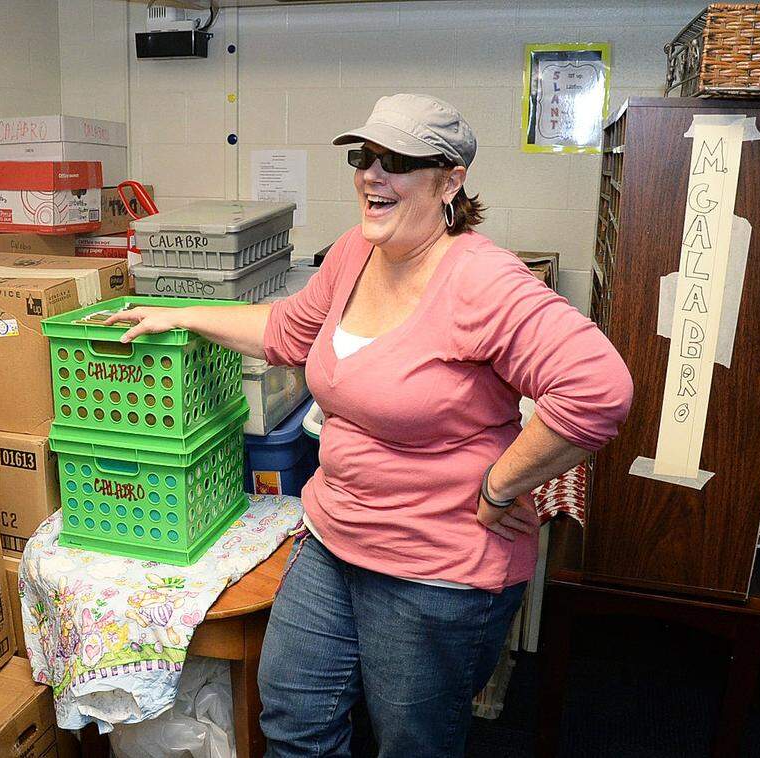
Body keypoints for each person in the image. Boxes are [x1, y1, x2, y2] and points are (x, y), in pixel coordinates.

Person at [106, 93, 633, 757]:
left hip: (434, 571)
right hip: (333, 539)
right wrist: (175, 313)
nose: (371, 175)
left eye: (399, 162)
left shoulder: (480, 280)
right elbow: (286, 331)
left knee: (411, 744)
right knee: (294, 719)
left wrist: (501, 486)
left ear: (451, 180)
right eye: (365, 156)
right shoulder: (355, 252)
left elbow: (599, 390)